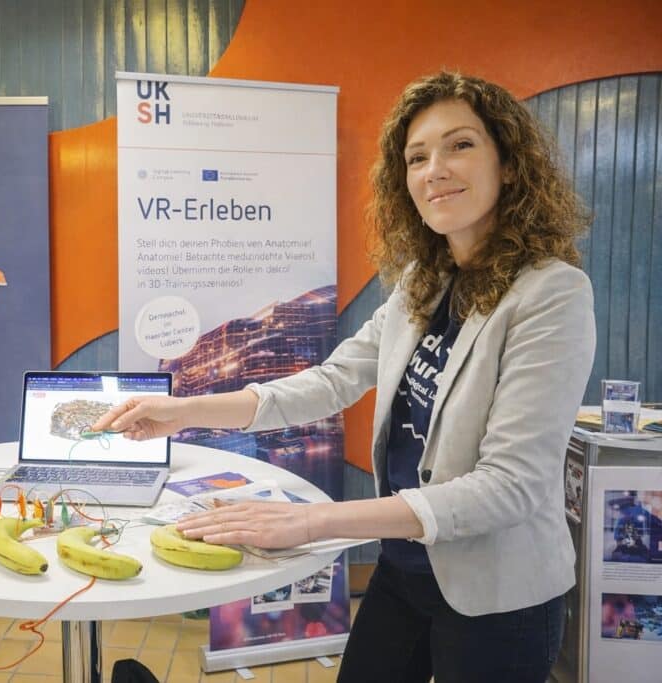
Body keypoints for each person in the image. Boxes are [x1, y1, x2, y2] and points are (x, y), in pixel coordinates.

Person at [93, 71, 595, 683]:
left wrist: (310, 524)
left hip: (497, 594)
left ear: (509, 165)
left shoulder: (551, 294)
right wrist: (184, 410)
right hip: (407, 567)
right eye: (417, 157)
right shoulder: (424, 280)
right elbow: (331, 381)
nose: (434, 169)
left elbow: (509, 486)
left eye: (460, 145)